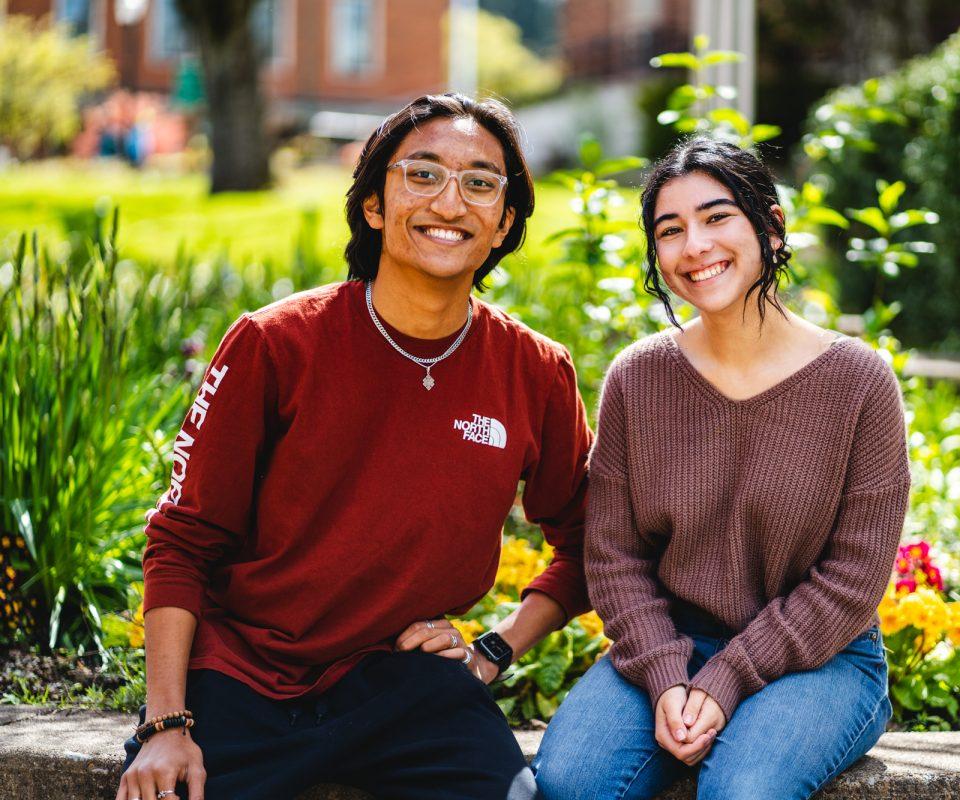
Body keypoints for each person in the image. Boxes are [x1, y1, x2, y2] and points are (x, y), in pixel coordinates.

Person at [116, 94, 592, 800]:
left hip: (405, 682)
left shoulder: (534, 370)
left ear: (504, 223)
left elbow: (590, 539)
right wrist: (166, 725)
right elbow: (182, 540)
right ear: (373, 204)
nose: (450, 202)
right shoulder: (275, 343)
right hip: (245, 673)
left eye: (481, 183)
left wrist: (497, 646)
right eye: (422, 175)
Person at [533, 137, 910, 800]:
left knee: (744, 792)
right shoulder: (637, 379)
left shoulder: (860, 382)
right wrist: (665, 673)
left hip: (821, 658)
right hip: (670, 643)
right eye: (669, 230)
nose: (694, 246)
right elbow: (614, 557)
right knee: (570, 783)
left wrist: (730, 675)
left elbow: (852, 581)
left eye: (717, 217)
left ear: (771, 224)